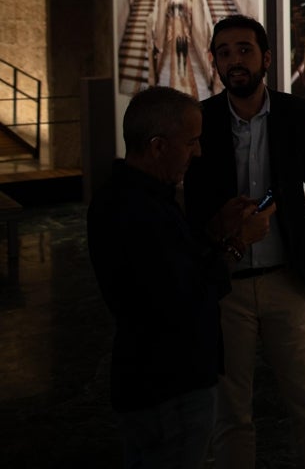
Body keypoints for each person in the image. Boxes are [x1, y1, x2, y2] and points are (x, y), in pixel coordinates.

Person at [184, 15, 305, 468]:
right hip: (226, 289)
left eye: (244, 49)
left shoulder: (295, 115)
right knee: (230, 415)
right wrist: (219, 229)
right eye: (224, 52)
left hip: (285, 284)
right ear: (215, 62)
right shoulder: (203, 119)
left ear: (266, 58)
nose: (235, 60)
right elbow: (191, 208)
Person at [89, 86, 273, 469]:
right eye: (191, 142)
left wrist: (214, 229)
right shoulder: (139, 210)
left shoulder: (130, 196)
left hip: (149, 381)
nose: (199, 152)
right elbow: (186, 295)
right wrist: (239, 241)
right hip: (169, 387)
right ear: (157, 146)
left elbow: (172, 265)